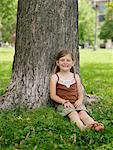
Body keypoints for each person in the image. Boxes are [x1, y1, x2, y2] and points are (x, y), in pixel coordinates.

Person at [50, 49, 104, 131]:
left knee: (83, 113)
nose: (65, 62)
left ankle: (93, 124)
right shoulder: (55, 77)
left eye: (68, 60)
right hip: (63, 104)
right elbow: (53, 95)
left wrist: (80, 100)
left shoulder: (75, 77)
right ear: (57, 62)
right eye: (62, 60)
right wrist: (64, 102)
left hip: (76, 102)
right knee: (73, 114)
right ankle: (82, 128)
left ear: (73, 63)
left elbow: (80, 93)